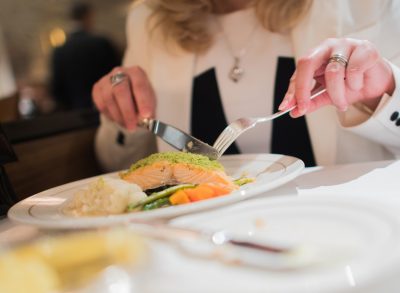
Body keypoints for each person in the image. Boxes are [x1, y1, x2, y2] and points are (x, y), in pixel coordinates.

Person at [92, 0, 400, 172]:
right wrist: (122, 115)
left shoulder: (366, 5)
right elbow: (117, 164)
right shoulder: (148, 19)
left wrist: (384, 93)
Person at [50, 1, 120, 111]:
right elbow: (117, 75)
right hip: (106, 108)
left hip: (76, 114)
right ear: (88, 16)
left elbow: (56, 89)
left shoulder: (59, 51)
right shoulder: (101, 43)